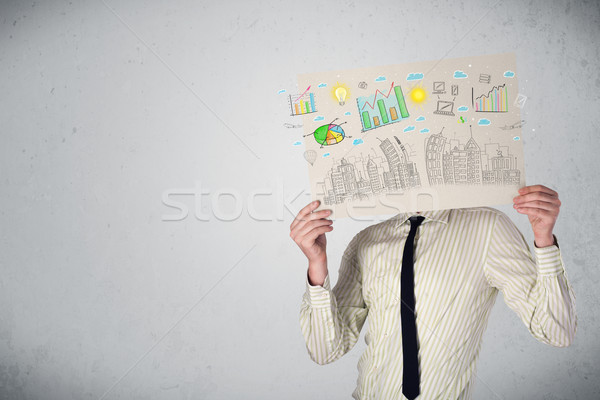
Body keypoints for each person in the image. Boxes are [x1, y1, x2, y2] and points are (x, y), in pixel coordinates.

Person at [290, 184, 577, 400]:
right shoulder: (367, 241)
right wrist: (316, 264)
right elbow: (325, 350)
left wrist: (544, 239)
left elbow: (557, 331)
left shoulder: (488, 228)